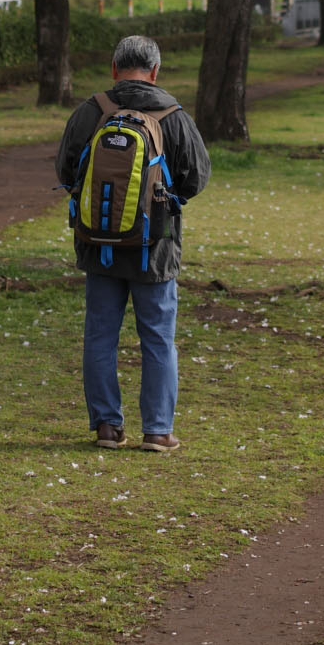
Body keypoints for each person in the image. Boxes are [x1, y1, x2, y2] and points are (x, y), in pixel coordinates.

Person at [56, 35, 211, 452]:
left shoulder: (91, 111)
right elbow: (196, 175)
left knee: (100, 336)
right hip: (154, 248)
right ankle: (158, 431)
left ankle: (107, 427)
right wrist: (164, 202)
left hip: (98, 243)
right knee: (158, 337)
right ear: (155, 71)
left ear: (114, 68)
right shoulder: (173, 115)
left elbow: (65, 168)